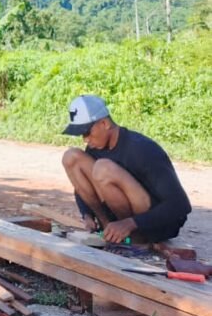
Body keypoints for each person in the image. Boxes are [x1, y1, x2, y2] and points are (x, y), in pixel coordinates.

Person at [61, 94, 191, 244]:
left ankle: (135, 237)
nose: (85, 139)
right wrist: (87, 215)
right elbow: (83, 186)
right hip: (121, 219)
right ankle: (107, 227)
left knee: (103, 168)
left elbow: (180, 205)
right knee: (71, 156)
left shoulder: (141, 149)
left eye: (87, 132)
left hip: (151, 224)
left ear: (104, 123)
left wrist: (130, 224)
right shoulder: (96, 147)